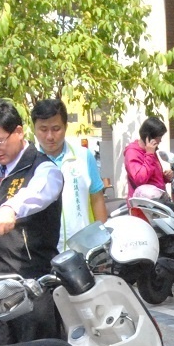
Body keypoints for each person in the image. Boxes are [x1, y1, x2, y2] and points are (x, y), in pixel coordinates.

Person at [0, 99, 65, 345]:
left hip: (31, 288)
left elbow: (39, 192)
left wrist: (11, 207)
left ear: (19, 132)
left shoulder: (43, 169)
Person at [30, 98, 107, 250]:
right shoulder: (28, 162)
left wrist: (103, 244)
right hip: (41, 252)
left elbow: (97, 199)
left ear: (65, 127)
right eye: (43, 129)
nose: (50, 136)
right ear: (34, 128)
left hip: (82, 249)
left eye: (56, 128)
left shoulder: (83, 156)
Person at [123, 116, 174, 194]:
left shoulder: (151, 150)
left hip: (158, 198)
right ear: (148, 137)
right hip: (144, 202)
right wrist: (149, 155)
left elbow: (152, 179)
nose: (160, 140)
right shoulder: (132, 152)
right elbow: (139, 179)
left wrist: (165, 177)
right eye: (158, 137)